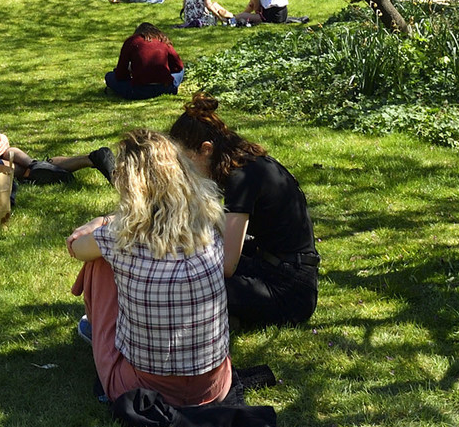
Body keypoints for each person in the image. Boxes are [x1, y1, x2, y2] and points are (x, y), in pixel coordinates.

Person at [66, 129, 233, 407]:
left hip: (143, 391)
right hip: (214, 386)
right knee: (105, 253)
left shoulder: (121, 237)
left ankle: (98, 331)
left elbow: (76, 249)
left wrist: (102, 222)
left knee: (97, 263)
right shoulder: (210, 222)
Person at [168, 91, 319, 330]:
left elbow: (227, 266)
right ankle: (234, 317)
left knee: (192, 285)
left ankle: (231, 318)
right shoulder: (244, 163)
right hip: (273, 265)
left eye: (185, 161)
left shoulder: (242, 178)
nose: (184, 170)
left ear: (206, 149)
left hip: (290, 289)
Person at [107, 23, 186, 99]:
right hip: (166, 88)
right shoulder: (163, 40)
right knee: (181, 71)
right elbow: (178, 66)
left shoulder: (132, 41)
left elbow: (121, 74)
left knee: (109, 76)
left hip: (138, 90)